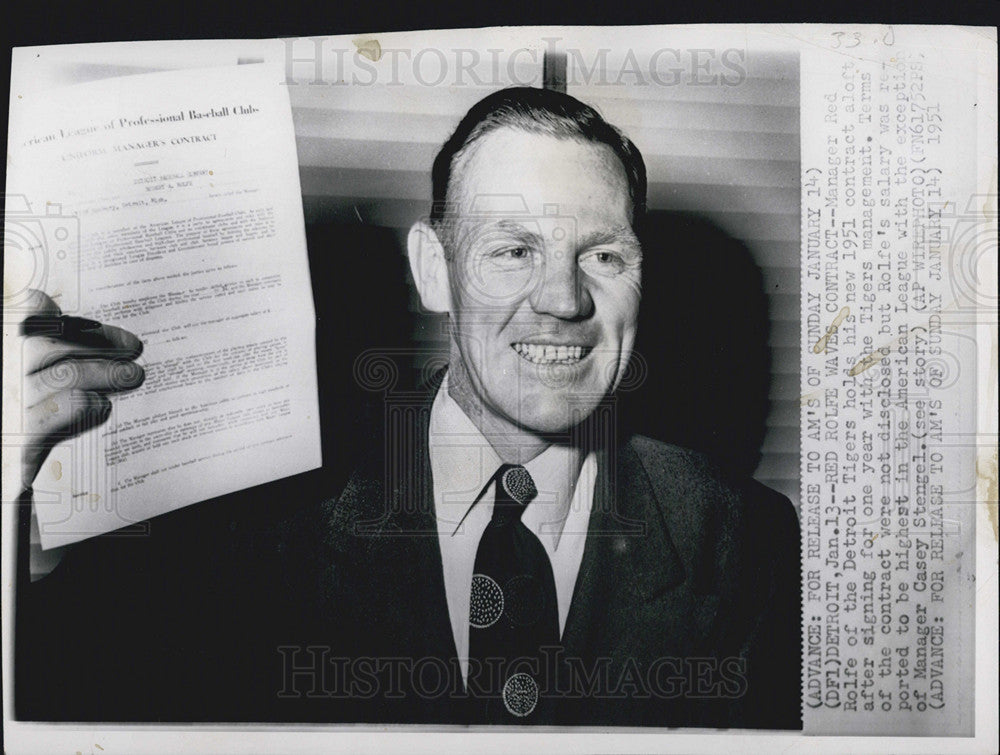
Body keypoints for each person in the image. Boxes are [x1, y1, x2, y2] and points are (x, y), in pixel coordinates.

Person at [15, 87, 800, 728]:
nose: (562, 300)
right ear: (433, 270)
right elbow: (56, 700)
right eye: (512, 249)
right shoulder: (250, 525)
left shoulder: (744, 539)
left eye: (602, 255)